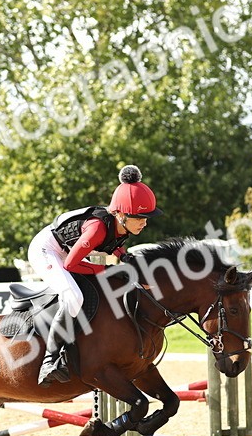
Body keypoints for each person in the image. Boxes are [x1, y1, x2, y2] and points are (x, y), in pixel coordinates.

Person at [28, 165, 162, 385]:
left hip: (68, 250)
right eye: (139, 217)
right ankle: (49, 361)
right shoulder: (98, 228)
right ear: (120, 214)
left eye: (147, 217)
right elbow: (71, 264)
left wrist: (126, 260)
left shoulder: (121, 227)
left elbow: (114, 247)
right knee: (74, 297)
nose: (144, 221)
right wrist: (109, 270)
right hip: (46, 251)